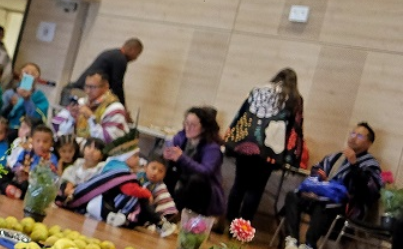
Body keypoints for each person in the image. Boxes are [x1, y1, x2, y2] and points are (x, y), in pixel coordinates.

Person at [282, 123, 383, 249]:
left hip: (345, 205)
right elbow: (317, 172)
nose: (354, 137)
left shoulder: (371, 164)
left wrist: (354, 165)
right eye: (353, 133)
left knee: (325, 203)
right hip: (318, 197)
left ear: (369, 143)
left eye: (360, 136)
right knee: (293, 196)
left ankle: (309, 244)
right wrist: (315, 188)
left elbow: (368, 191)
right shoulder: (336, 157)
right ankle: (293, 240)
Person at [225, 67, 305, 224]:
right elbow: (296, 128)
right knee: (255, 189)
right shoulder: (294, 98)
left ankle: (229, 221)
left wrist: (230, 141)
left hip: (245, 145)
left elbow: (240, 115)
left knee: (239, 184)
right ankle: (243, 229)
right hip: (269, 150)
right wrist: (292, 157)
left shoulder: (257, 90)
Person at [162, 106, 225, 217]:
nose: (188, 128)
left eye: (193, 125)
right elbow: (170, 149)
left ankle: (177, 213)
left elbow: (206, 171)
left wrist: (182, 158)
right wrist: (167, 154)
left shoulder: (212, 147)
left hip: (205, 190)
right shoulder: (181, 137)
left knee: (196, 180)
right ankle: (164, 207)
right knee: (168, 169)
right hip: (183, 180)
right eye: (186, 123)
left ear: (204, 128)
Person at [53, 71, 131, 146]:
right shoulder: (81, 102)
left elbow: (109, 140)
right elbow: (58, 128)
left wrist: (91, 118)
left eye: (93, 87)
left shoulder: (114, 108)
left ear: (106, 87)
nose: (88, 91)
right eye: (86, 86)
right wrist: (72, 117)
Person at [67, 37, 143, 105]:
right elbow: (117, 85)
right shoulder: (120, 59)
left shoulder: (111, 53)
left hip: (77, 90)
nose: (136, 58)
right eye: (137, 54)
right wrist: (122, 106)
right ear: (132, 50)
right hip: (83, 94)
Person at [0, 123, 58, 198]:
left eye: (45, 142)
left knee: (28, 187)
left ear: (51, 143)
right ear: (32, 141)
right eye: (38, 141)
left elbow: (49, 176)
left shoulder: (51, 158)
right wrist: (19, 171)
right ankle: (8, 188)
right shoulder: (27, 151)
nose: (41, 145)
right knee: (2, 172)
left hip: (33, 184)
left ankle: (14, 192)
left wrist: (29, 176)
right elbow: (17, 164)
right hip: (19, 178)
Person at [2, 61, 50, 138]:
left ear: (37, 79)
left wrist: (27, 100)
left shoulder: (40, 97)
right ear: (20, 75)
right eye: (26, 72)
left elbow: (38, 119)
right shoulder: (10, 93)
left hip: (27, 134)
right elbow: (0, 113)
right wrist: (10, 105)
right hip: (6, 131)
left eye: (33, 74)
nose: (29, 75)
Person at [59, 137, 104, 203]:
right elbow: (70, 177)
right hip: (71, 190)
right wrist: (69, 187)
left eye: (96, 149)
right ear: (83, 150)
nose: (91, 151)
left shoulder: (100, 167)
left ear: (101, 156)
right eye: (89, 147)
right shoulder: (78, 163)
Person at [140, 158, 179, 230]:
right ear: (145, 167)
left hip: (153, 213)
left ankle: (159, 223)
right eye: (153, 168)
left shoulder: (161, 187)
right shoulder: (138, 177)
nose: (155, 173)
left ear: (164, 175)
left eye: (160, 171)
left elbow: (165, 205)